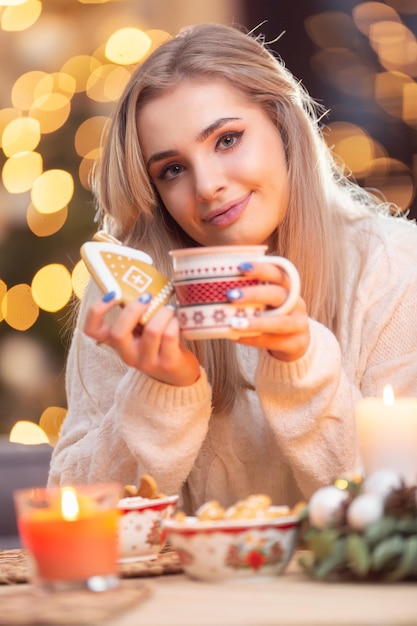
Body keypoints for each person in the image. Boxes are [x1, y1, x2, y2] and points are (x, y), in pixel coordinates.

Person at [48, 22, 417, 510]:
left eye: (226, 140)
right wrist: (160, 391)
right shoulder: (131, 292)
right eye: (172, 169)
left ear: (284, 127)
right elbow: (75, 510)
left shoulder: (392, 266)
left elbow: (399, 515)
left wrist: (302, 365)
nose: (206, 186)